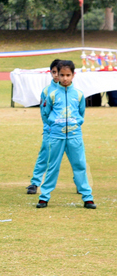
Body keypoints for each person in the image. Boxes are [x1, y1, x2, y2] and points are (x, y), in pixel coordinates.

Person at [36, 61, 96, 209]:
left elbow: (81, 113)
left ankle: (87, 197)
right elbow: (46, 113)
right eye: (62, 75)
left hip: (75, 136)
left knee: (79, 165)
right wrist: (53, 125)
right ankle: (44, 197)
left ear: (73, 75)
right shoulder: (51, 94)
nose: (64, 78)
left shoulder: (79, 94)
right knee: (53, 166)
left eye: (68, 75)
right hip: (56, 136)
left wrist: (76, 123)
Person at [27, 59, 62, 195]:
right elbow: (44, 112)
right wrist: (48, 126)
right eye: (53, 72)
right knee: (44, 155)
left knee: (75, 159)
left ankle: (79, 183)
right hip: (50, 130)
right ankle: (35, 182)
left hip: (68, 132)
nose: (56, 75)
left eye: (59, 72)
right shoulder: (47, 91)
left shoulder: (72, 91)